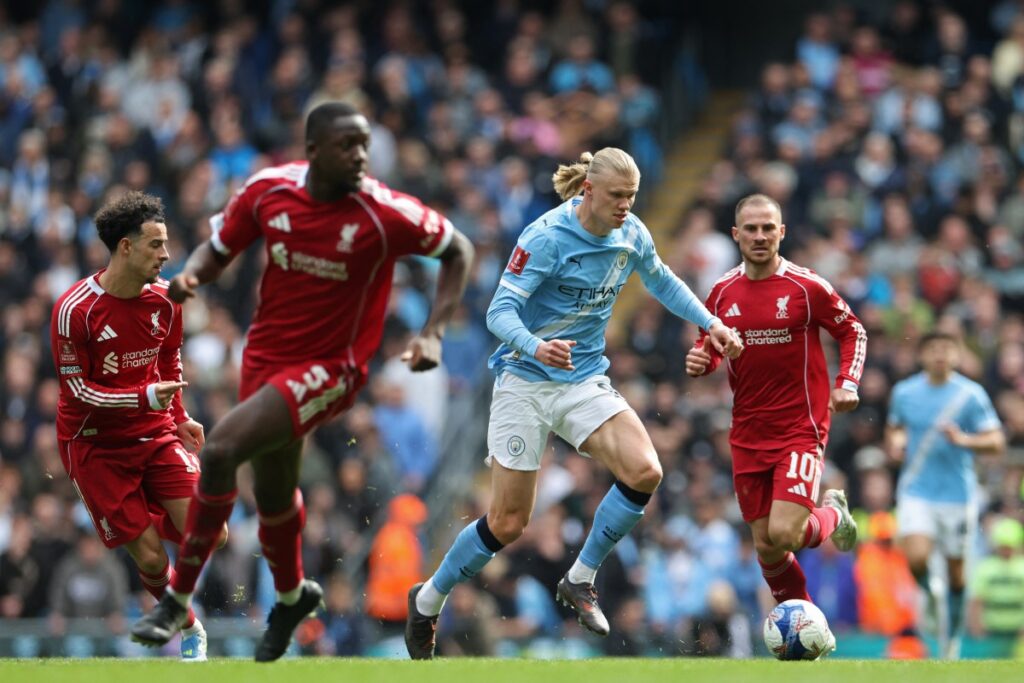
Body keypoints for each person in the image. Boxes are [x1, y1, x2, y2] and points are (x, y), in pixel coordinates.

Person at [130, 101, 474, 662]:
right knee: (272, 491)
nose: (360, 156)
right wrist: (191, 275)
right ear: (313, 150)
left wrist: (433, 332)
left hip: (333, 366)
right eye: (347, 145)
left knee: (220, 450)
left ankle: (177, 597)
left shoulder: (383, 212)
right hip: (264, 358)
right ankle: (292, 597)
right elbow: (220, 248)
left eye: (364, 145)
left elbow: (458, 249)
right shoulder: (269, 191)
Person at [404, 147, 744, 659]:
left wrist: (710, 322)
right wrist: (535, 346)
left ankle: (580, 578)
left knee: (645, 471)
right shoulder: (545, 237)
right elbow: (499, 312)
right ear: (588, 190)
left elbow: (660, 279)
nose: (625, 206)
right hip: (525, 380)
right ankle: (428, 599)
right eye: (616, 196)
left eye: (632, 196)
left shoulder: (632, 234)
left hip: (582, 379)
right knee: (508, 522)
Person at [684, 193, 866, 655]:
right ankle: (809, 632)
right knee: (767, 546)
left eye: (769, 228)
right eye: (751, 228)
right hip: (747, 432)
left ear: (782, 232)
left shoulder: (806, 287)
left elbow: (853, 330)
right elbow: (710, 346)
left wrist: (846, 382)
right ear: (736, 235)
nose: (760, 236)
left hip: (801, 427)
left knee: (785, 532)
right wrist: (701, 360)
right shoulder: (721, 292)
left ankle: (832, 514)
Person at [50, 191, 221, 661]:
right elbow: (76, 392)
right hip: (93, 443)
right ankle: (189, 627)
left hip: (153, 429)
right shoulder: (74, 310)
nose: (166, 254)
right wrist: (142, 397)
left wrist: (180, 416)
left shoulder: (168, 299)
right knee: (149, 557)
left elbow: (169, 359)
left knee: (213, 533)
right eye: (156, 244)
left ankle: (144, 508)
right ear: (125, 247)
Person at [886, 330, 1005, 658]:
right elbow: (895, 428)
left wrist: (964, 440)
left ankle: (951, 640)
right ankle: (931, 593)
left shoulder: (971, 395)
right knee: (916, 557)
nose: (940, 354)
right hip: (916, 490)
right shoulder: (904, 392)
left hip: (958, 495)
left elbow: (996, 441)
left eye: (947, 348)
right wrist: (895, 444)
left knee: (957, 574)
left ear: (957, 355)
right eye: (933, 348)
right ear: (922, 355)